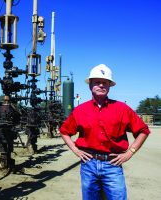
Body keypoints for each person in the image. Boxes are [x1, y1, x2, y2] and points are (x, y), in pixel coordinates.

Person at [59, 64, 150, 200]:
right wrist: (76, 150)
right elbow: (64, 131)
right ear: (90, 85)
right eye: (97, 82)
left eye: (105, 83)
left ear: (109, 86)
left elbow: (143, 130)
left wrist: (129, 153)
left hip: (113, 165)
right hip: (88, 164)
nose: (101, 85)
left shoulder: (122, 109)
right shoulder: (80, 110)